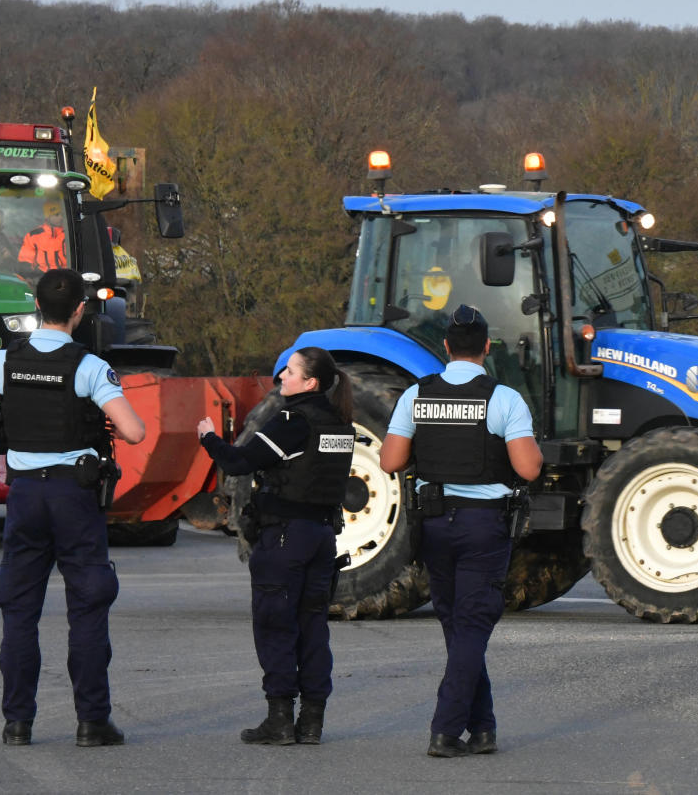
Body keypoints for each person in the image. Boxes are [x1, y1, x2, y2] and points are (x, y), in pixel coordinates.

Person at [0, 268, 146, 747]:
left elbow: (4, 410)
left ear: (37, 305)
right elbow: (135, 431)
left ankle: (18, 724)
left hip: (24, 497)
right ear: (80, 309)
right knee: (88, 608)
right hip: (73, 498)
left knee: (18, 612)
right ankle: (92, 722)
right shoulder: (89, 367)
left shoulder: (3, 361)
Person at [379, 304, 543, 758]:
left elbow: (390, 461)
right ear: (487, 349)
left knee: (458, 626)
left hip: (434, 524)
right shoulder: (504, 398)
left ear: (446, 348)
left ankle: (483, 727)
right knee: (470, 626)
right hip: (484, 525)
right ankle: (445, 729)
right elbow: (528, 469)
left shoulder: (417, 394)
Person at [197, 346, 355, 746]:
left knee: (275, 627)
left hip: (286, 537)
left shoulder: (292, 420)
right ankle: (312, 722)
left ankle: (280, 719)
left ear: (310, 382)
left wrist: (208, 439)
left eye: (290, 371)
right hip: (322, 537)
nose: (281, 376)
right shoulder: (339, 424)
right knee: (313, 628)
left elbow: (238, 462)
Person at [19, 200, 69, 272]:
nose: (61, 217)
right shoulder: (33, 236)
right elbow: (25, 261)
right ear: (47, 217)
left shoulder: (68, 234)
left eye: (62, 214)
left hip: (66, 276)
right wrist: (30, 277)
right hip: (41, 277)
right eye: (57, 214)